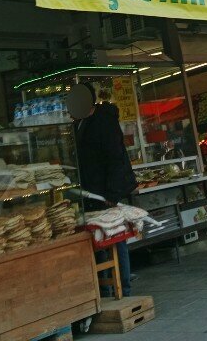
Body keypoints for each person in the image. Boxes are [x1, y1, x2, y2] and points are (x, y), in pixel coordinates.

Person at [69, 84, 138, 296]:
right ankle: (106, 289)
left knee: (116, 238)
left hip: (106, 193)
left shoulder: (104, 122)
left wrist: (112, 193)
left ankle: (122, 288)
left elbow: (116, 158)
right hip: (90, 192)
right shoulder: (78, 124)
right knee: (99, 238)